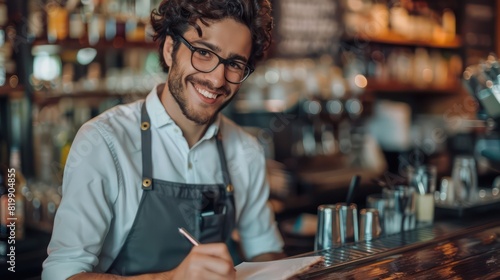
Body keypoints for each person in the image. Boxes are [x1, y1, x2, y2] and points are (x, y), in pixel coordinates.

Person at [42, 0, 285, 279]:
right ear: (171, 50)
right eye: (204, 53)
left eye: (234, 64)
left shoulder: (245, 150)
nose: (218, 80)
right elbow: (62, 275)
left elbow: (265, 253)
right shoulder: (104, 142)